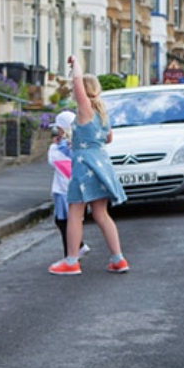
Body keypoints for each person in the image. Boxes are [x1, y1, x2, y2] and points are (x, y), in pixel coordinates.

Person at [48, 56, 129, 276]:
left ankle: (72, 260)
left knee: (75, 212)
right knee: (102, 214)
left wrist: (76, 65)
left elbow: (76, 83)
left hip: (85, 165)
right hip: (101, 163)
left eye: (79, 90)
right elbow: (108, 138)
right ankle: (118, 258)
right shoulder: (102, 112)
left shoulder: (85, 109)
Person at [47, 110, 90, 259]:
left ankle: (72, 252)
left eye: (58, 128)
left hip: (63, 189)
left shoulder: (60, 147)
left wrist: (55, 146)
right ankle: (78, 247)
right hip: (76, 187)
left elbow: (52, 160)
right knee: (71, 221)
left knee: (63, 222)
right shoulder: (79, 144)